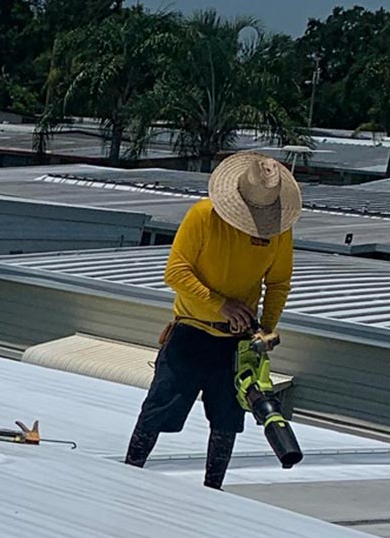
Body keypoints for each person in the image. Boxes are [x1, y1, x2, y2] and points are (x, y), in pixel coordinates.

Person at [123, 151, 302, 489]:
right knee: (158, 410)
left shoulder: (278, 231)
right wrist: (221, 305)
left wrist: (266, 328)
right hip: (192, 332)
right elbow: (175, 272)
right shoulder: (204, 215)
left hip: (236, 344)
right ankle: (128, 473)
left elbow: (278, 283)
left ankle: (213, 490)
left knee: (227, 421)